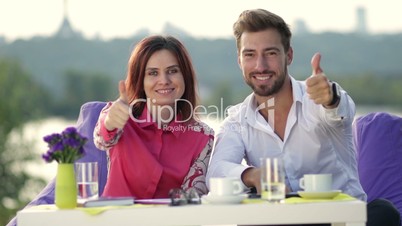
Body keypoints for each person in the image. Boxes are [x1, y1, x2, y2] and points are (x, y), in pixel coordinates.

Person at [206, 9, 400, 226]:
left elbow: (340, 111)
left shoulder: (318, 99)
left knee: (383, 211)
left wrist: (330, 98)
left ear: (288, 55)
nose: (260, 65)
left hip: (341, 221)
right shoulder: (236, 120)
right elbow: (216, 172)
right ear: (240, 60)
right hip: (283, 222)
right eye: (250, 54)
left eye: (270, 53)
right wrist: (251, 175)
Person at [94, 35, 214, 199]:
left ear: (185, 76)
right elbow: (102, 139)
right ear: (140, 80)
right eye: (153, 73)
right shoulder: (119, 116)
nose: (164, 80)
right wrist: (109, 123)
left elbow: (191, 200)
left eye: (172, 71)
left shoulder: (203, 137)